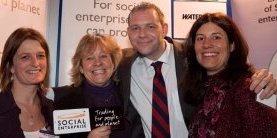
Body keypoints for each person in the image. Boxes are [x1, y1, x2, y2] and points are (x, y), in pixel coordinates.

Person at [117, 2, 277, 138]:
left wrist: (263, 80)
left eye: (150, 26)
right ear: (128, 32)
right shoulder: (122, 64)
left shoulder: (191, 58)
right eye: (135, 28)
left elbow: (232, 73)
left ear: (164, 29)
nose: (142, 34)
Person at [182, 12, 277, 137]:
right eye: (200, 38)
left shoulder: (250, 89)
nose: (206, 44)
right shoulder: (200, 89)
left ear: (232, 45)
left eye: (216, 37)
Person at [47, 33, 127, 138]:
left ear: (113, 62)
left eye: (103, 56)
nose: (97, 63)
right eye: (89, 58)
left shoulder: (130, 96)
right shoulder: (64, 106)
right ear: (80, 67)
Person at [0, 27, 55, 138]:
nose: (35, 63)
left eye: (40, 56)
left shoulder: (52, 109)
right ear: (10, 66)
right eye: (25, 57)